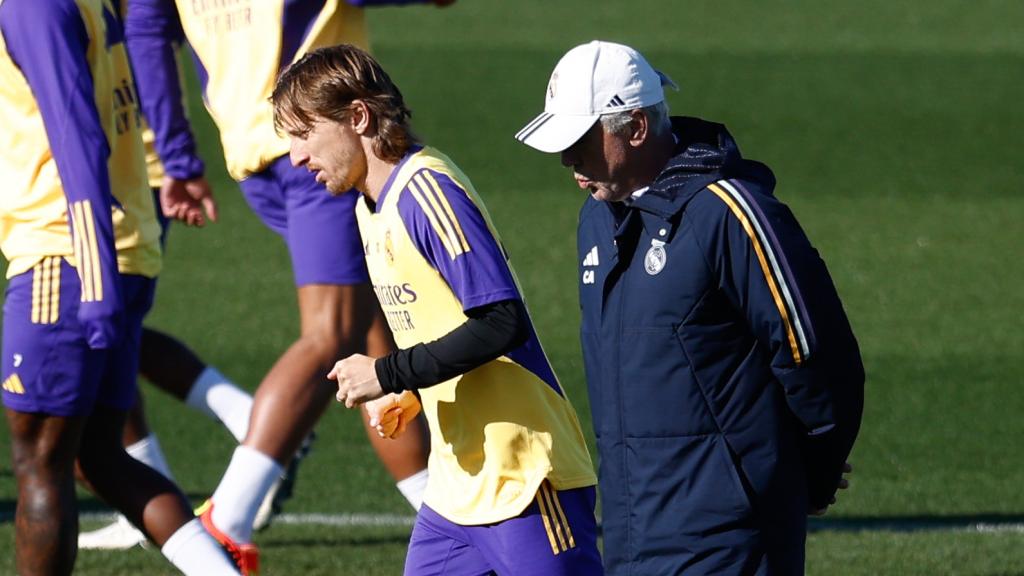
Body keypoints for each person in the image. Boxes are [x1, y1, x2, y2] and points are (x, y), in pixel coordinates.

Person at [124, 1, 452, 571]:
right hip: (320, 143)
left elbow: (147, 30)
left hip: (252, 148)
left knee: (375, 334)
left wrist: (178, 156)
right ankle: (228, 517)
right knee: (335, 331)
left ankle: (440, 511)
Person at [516, 40, 865, 575]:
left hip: (731, 539)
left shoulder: (728, 213)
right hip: (634, 532)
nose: (568, 160)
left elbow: (816, 352)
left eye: (582, 141)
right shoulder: (598, 218)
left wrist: (808, 475)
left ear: (635, 129)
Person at [272, 44, 603, 576]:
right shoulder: (367, 207)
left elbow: (501, 322)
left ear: (357, 116)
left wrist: (385, 372)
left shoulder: (426, 191)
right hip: (456, 491)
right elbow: (439, 323)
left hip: (522, 478)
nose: (293, 156)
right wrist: (410, 390)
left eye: (303, 132)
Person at [0, 0, 243, 573]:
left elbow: (75, 134)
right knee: (99, 458)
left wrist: (95, 278)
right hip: (121, 242)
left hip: (64, 253)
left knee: (39, 461)